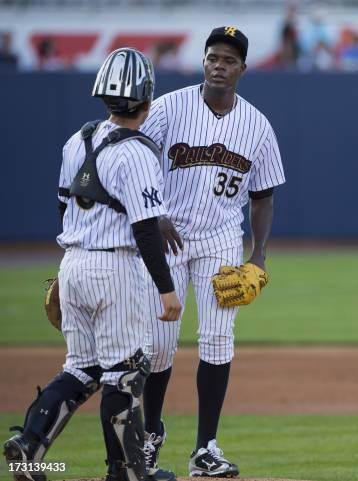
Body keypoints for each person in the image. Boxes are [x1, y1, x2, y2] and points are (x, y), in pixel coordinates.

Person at [3, 48, 181, 481]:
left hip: (73, 263)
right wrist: (167, 288)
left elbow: (63, 207)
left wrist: (72, 265)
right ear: (147, 98)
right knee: (124, 374)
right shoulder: (138, 153)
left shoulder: (76, 140)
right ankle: (128, 472)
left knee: (82, 369)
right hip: (113, 268)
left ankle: (29, 446)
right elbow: (145, 229)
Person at [139, 26, 285, 478]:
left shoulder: (257, 125)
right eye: (212, 57)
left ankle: (205, 448)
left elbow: (263, 196)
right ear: (203, 62)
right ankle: (148, 436)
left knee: (218, 339)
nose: (218, 65)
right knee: (160, 346)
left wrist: (258, 254)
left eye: (228, 59)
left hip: (222, 238)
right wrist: (153, 209)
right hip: (167, 236)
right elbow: (133, 158)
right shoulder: (167, 109)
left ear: (242, 68)